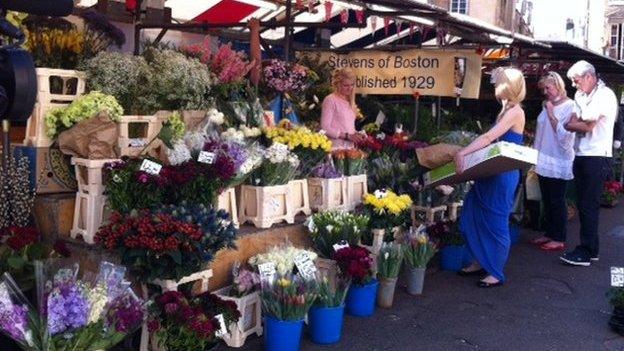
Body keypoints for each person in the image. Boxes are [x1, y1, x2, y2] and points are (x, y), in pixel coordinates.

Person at [454, 67, 526, 288]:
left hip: (503, 174)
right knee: (473, 212)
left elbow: (488, 138)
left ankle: (495, 271)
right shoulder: (505, 110)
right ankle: (480, 260)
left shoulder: (515, 111)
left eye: (498, 82)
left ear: (506, 85)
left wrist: (463, 152)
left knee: (495, 222)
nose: (494, 85)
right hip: (490, 173)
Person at [559, 60, 617, 266]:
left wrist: (574, 123)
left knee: (588, 205)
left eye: (576, 81)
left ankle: (586, 251)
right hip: (582, 154)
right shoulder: (580, 95)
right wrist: (576, 123)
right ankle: (591, 249)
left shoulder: (605, 95)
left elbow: (588, 126)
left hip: (597, 155)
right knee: (585, 205)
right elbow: (575, 120)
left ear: (589, 77)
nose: (574, 85)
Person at [529, 72, 576, 251]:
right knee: (547, 199)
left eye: (548, 87)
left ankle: (559, 237)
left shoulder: (570, 106)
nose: (545, 92)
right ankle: (549, 233)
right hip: (543, 158)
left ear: (558, 85)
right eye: (543, 89)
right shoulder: (546, 104)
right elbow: (541, 133)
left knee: (557, 199)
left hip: (558, 159)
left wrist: (550, 113)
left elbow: (566, 138)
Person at [320, 68, 364, 149]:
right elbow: (325, 128)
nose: (349, 88)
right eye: (346, 85)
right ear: (338, 84)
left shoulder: (350, 101)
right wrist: (347, 136)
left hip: (350, 149)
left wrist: (356, 135)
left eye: (352, 85)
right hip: (335, 148)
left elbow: (347, 126)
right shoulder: (330, 100)